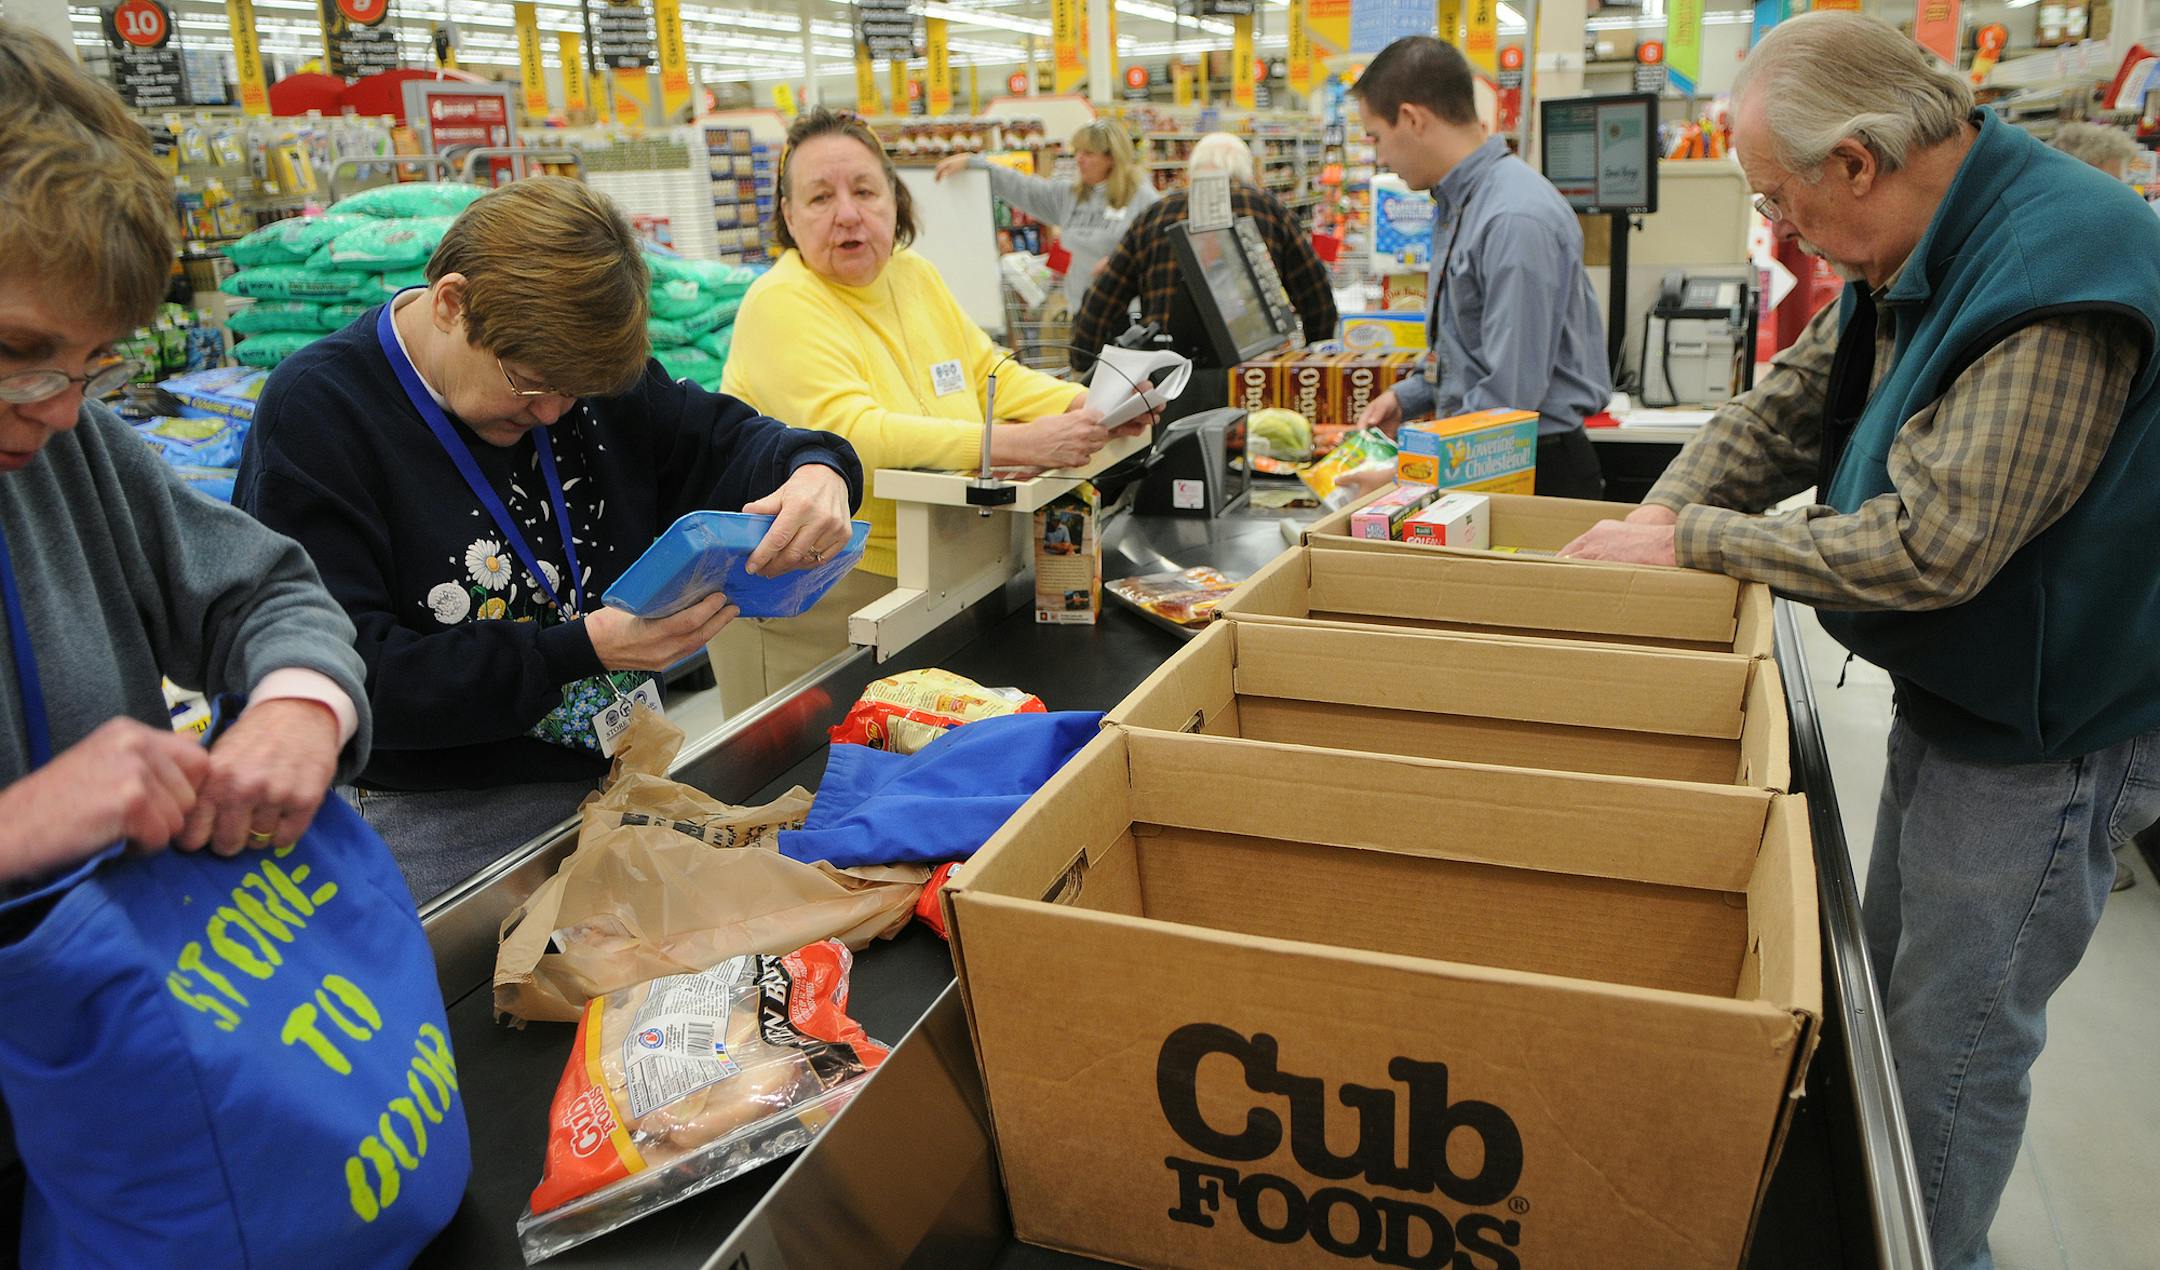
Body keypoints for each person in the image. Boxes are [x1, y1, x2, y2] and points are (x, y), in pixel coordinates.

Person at [1559, 15, 2160, 1268]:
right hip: (1969, 687)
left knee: (1953, 1043)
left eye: (1781, 198)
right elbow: (1787, 407)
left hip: (2051, 728)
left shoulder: (2054, 276)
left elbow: (1937, 546)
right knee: (1887, 983)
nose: (1780, 232)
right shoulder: (1923, 241)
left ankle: (1930, 1253)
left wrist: (1698, 545)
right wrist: (1661, 517)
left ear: (1857, 162)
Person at [235, 176, 863, 903]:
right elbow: (346, 676)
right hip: (433, 823)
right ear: (451, 304)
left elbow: (722, 440)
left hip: (620, 777)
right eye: (530, 384)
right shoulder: (319, 415)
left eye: (575, 392)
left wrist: (816, 468)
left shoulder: (580, 377)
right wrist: (581, 649)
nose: (554, 412)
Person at [0, 21, 368, 884]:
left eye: (94, 361)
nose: (62, 409)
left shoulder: (70, 452)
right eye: (17, 352)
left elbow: (263, 591)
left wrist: (299, 703)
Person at [722, 108, 1143, 696]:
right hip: (817, 595)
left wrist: (1091, 405)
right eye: (820, 198)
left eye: (864, 191)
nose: (848, 213)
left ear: (894, 200)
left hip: (939, 570)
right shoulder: (781, 302)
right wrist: (1014, 443)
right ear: (789, 217)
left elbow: (988, 373)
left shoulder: (912, 275)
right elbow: (852, 436)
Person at [1348, 36, 1610, 500]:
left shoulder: (1512, 217)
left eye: (1377, 137)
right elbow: (1466, 349)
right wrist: (1408, 397)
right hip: (1484, 460)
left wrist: (1404, 475)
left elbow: (1507, 399)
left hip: (1530, 471)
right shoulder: (1461, 203)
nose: (1380, 157)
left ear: (1412, 119)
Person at [1071, 133, 1339, 374]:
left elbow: (1104, 296)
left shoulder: (1156, 215)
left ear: (1192, 171)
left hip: (1169, 374)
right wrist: (1315, 357)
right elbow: (1316, 296)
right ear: (1245, 172)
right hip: (1253, 371)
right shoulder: (1266, 209)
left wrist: (1082, 360)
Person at [934, 118, 1159, 313]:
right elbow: (1025, 188)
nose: (1079, 159)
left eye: (1088, 153)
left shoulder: (1142, 199)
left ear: (1112, 158)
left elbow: (1159, 253)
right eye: (1077, 151)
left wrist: (1122, 261)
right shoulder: (1071, 196)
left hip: (1128, 316)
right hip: (1083, 314)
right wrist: (975, 163)